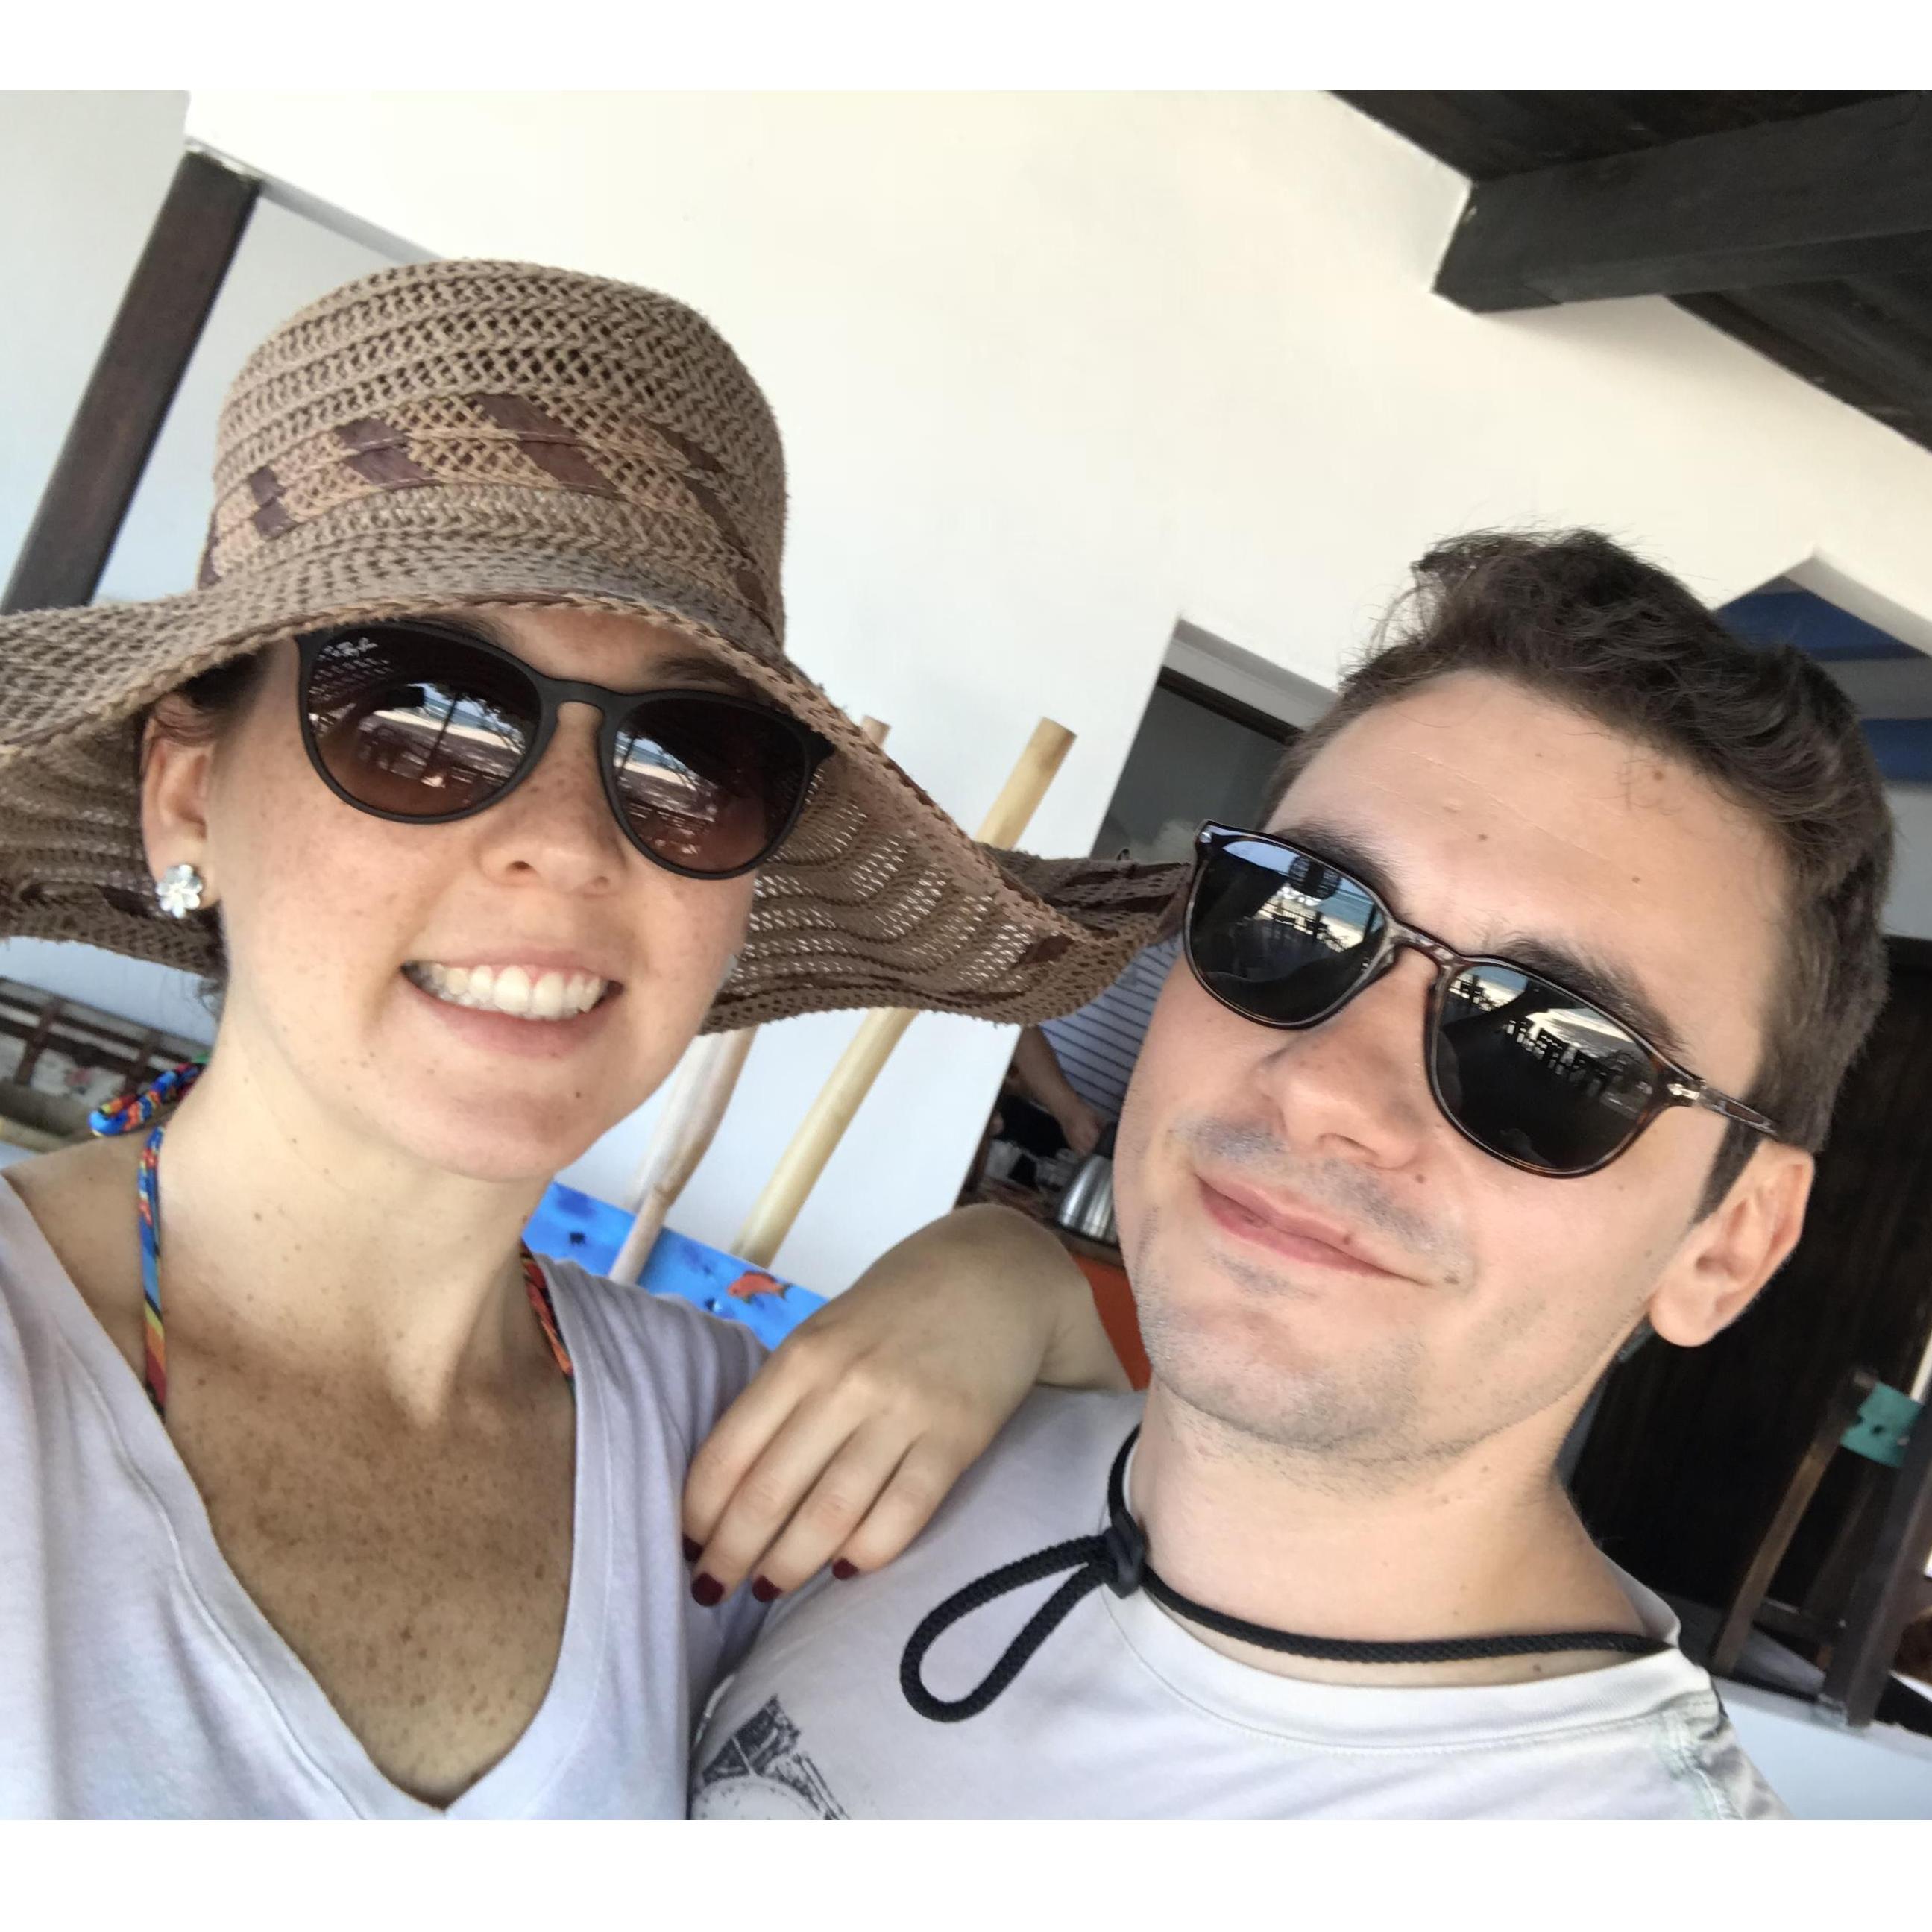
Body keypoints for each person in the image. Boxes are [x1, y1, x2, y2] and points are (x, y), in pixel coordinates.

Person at [0, 258, 1169, 1817]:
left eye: (693, 753)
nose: (566, 846)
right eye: (421, 711)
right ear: (187, 792)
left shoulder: (727, 1458)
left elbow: (1181, 1611)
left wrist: (1021, 1282)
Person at [692, 529, 1894, 1820]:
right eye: (1301, 913)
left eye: (1552, 1050)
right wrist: (1004, 1263)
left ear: (1728, 1245)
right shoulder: (842, 1466)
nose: (1328, 1086)